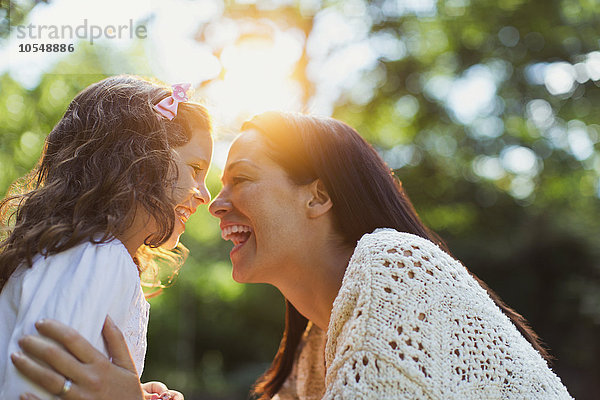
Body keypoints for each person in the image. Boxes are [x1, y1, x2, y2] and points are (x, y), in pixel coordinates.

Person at [12, 112, 572, 399]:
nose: (213, 203)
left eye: (242, 179)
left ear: (318, 195)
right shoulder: (310, 356)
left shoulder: (395, 267)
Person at [0, 75, 213, 399]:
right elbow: (30, 391)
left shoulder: (85, 255)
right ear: (139, 161)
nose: (205, 195)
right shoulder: (98, 257)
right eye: (195, 169)